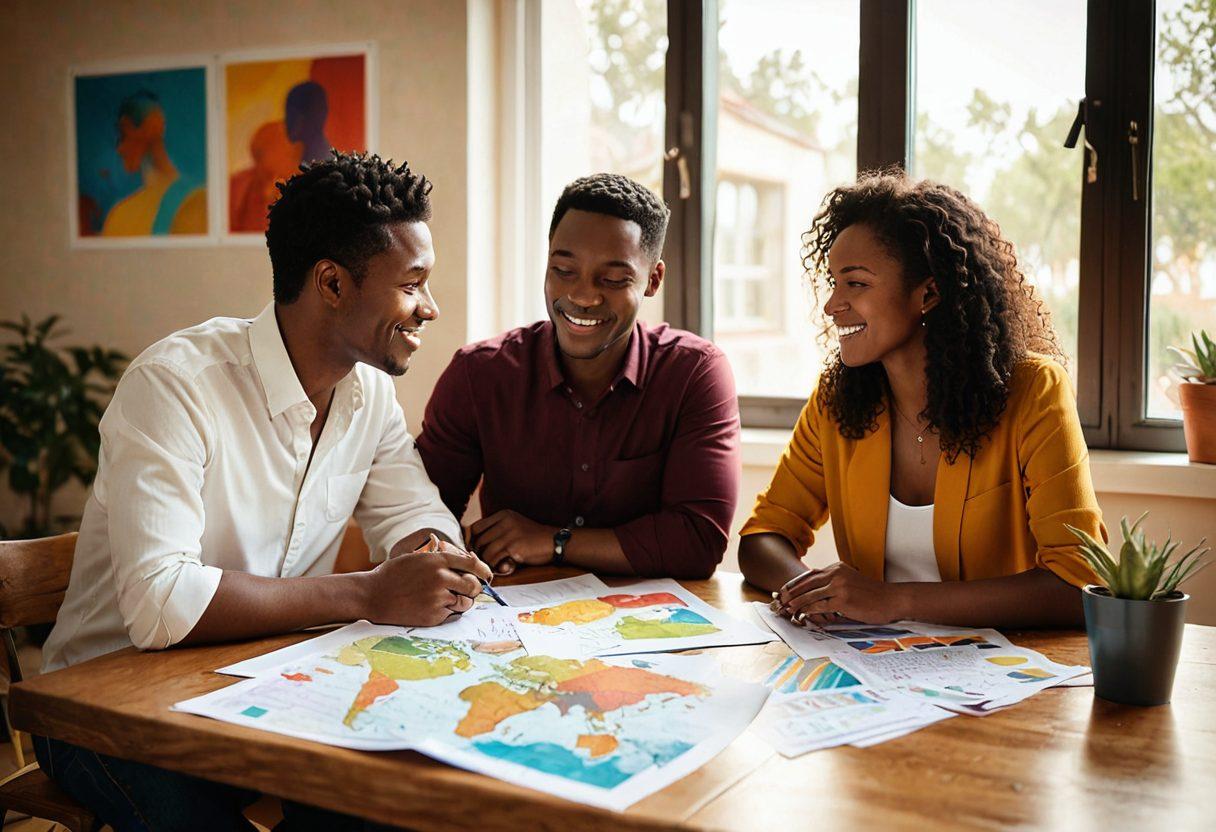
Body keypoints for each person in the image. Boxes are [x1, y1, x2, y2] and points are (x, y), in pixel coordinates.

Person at [38, 151, 491, 831]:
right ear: (332, 283)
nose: (430, 308)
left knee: (390, 800)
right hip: (107, 709)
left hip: (263, 692)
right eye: (413, 283)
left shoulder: (368, 394)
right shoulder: (175, 386)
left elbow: (415, 510)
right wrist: (370, 591)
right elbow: (162, 604)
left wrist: (431, 554)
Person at [739, 172, 1106, 629]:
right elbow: (762, 537)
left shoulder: (1033, 392)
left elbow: (1079, 586)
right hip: (873, 668)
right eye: (833, 282)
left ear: (928, 293)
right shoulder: (837, 402)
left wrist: (897, 601)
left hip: (999, 676)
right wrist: (818, 593)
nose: (832, 305)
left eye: (855, 284)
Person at [417, 173, 740, 580]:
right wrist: (460, 551)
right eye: (564, 270)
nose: (583, 296)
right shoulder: (479, 374)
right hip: (512, 624)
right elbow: (419, 513)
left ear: (653, 280)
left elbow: (698, 542)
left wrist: (553, 541)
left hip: (649, 627)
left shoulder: (694, 373)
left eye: (613, 279)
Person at [101, 90, 207, 236]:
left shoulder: (194, 199)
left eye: (124, 134)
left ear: (153, 126)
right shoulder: (120, 212)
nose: (120, 148)